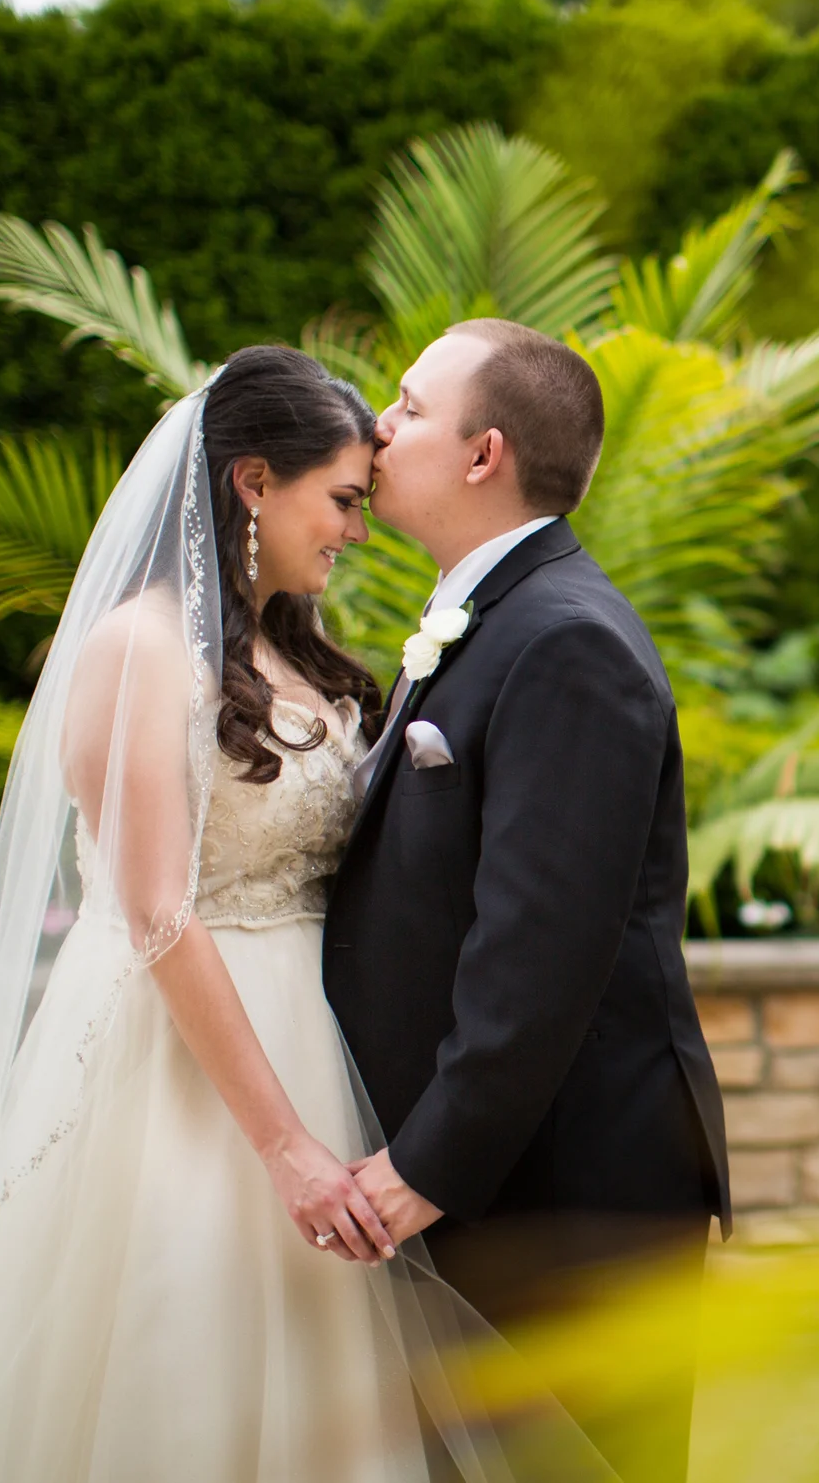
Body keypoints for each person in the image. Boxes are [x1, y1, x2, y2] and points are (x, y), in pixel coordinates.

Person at [0, 346, 570, 1483]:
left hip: (322, 1052)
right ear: (251, 482)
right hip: (190, 1080)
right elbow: (153, 912)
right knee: (183, 1353)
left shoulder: (290, 647)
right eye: (340, 499)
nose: (358, 527)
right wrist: (286, 1147)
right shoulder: (138, 647)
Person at [323, 318, 731, 1483]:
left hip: (570, 1186)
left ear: (482, 452)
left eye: (406, 406)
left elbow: (540, 949)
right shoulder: (486, 619)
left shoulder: (567, 641)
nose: (376, 426)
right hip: (506, 1173)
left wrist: (424, 1166)